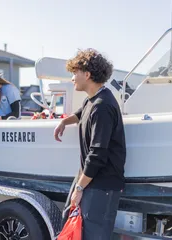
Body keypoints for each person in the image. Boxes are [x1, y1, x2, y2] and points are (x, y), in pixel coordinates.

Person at [54, 48, 126, 239]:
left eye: (74, 73)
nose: (72, 78)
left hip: (101, 184)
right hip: (91, 181)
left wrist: (79, 188)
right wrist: (64, 121)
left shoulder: (102, 106)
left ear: (87, 74)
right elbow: (81, 113)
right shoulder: (93, 100)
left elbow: (97, 154)